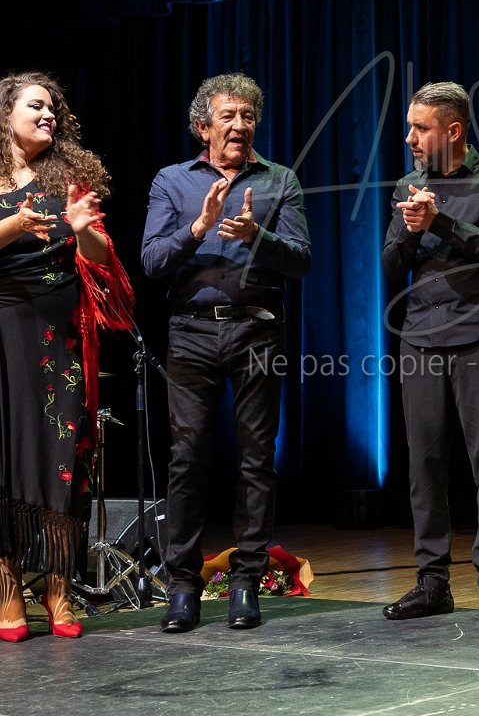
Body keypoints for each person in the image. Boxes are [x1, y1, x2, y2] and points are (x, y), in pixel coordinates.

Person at [0, 72, 134, 642]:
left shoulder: (67, 177)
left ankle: (58, 587)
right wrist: (16, 223)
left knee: (61, 460)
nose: (49, 115)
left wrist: (82, 230)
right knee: (3, 464)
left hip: (61, 339)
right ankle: (7, 593)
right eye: (36, 106)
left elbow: (101, 257)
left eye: (53, 109)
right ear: (5, 114)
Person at [142, 74, 311, 633]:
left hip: (258, 330)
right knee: (188, 458)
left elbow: (301, 260)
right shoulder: (172, 181)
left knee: (256, 458)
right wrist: (200, 227)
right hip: (191, 332)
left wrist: (256, 236)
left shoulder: (279, 179)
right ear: (202, 127)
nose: (240, 126)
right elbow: (152, 261)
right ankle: (183, 586)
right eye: (228, 116)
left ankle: (245, 583)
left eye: (248, 116)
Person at [380, 81, 479, 623]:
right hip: (420, 337)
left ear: (454, 130)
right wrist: (412, 230)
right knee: (424, 464)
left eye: (421, 128)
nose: (410, 139)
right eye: (410, 128)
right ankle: (432, 581)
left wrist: (439, 220)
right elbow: (391, 266)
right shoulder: (407, 184)